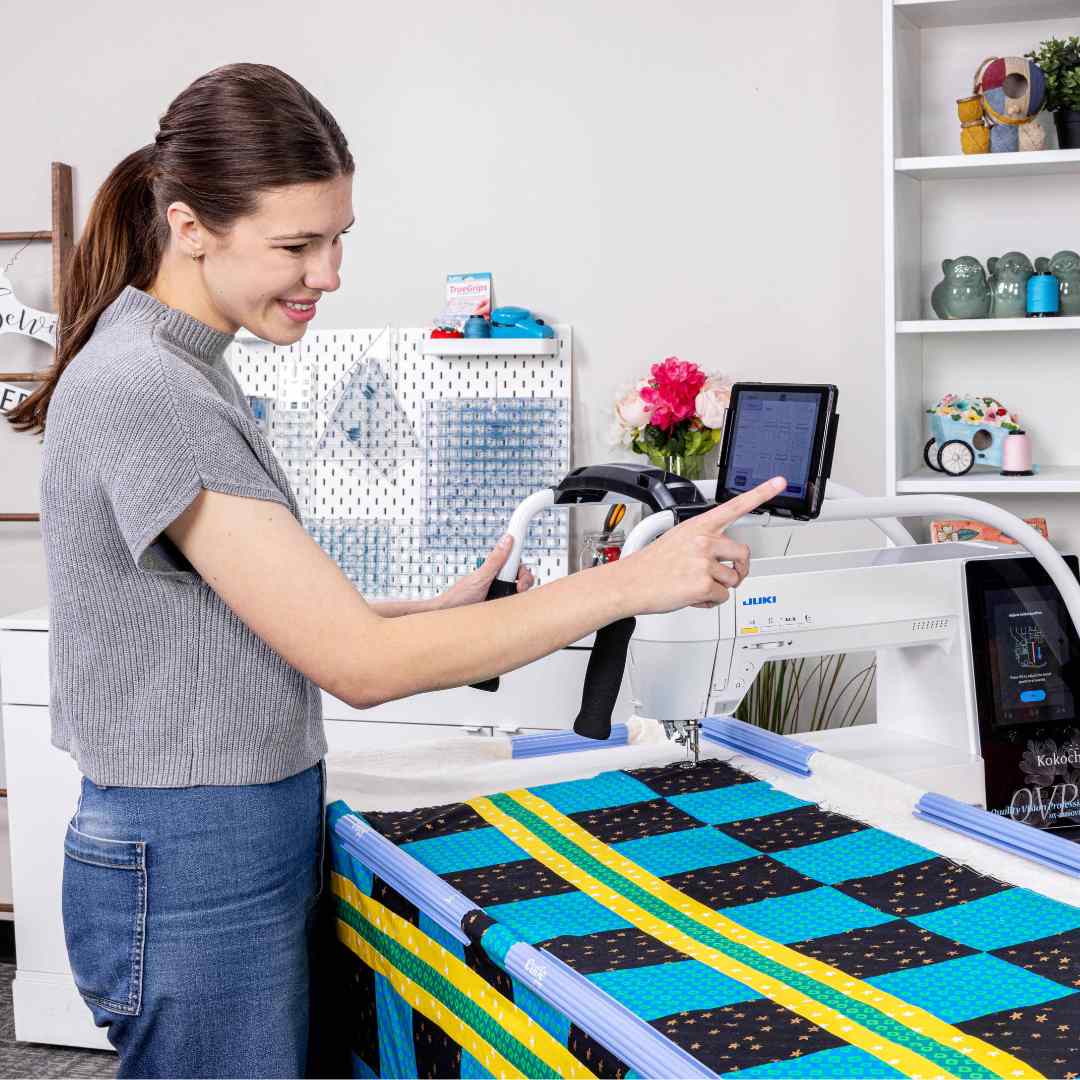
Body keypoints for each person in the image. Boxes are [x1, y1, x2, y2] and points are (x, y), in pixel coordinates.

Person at [7, 62, 784, 1079]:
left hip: (220, 832)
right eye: (296, 245)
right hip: (196, 849)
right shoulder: (150, 384)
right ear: (191, 227)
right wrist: (638, 580)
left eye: (338, 239)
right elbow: (359, 668)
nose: (327, 274)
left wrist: (427, 615)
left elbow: (214, 620)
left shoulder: (178, 363)